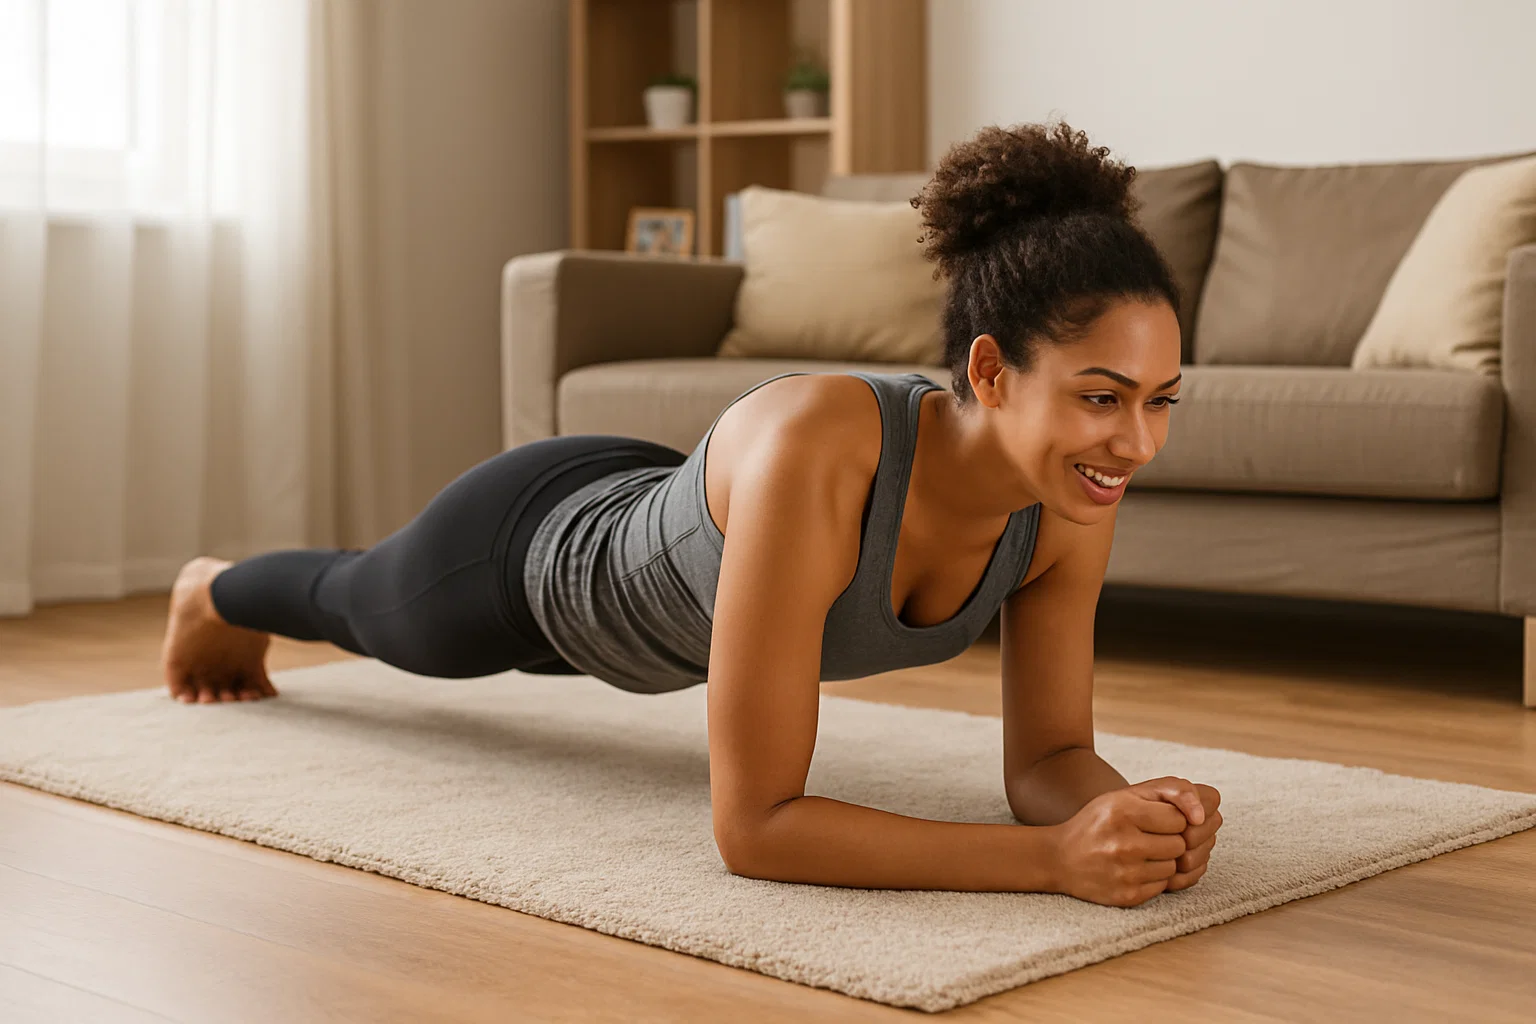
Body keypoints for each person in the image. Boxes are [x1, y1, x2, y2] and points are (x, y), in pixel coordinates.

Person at [160, 121, 1223, 907]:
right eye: (1102, 396)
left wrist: (1128, 816)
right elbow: (755, 829)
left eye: (1160, 402)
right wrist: (1049, 862)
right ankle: (212, 590)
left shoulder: (1071, 497)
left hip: (658, 551)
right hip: (530, 558)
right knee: (358, 605)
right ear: (990, 372)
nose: (1135, 444)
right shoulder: (827, 444)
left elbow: (1045, 764)